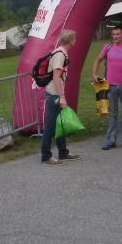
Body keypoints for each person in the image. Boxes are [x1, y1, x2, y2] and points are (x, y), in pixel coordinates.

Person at [93, 25, 122, 150]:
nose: (115, 37)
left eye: (118, 34)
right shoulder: (107, 47)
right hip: (110, 86)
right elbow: (98, 60)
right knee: (112, 114)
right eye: (113, 34)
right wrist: (94, 74)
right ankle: (111, 140)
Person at [41, 29, 81, 166]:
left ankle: (63, 152)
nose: (75, 40)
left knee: (60, 123)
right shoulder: (60, 55)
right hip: (54, 94)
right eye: (74, 38)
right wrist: (61, 96)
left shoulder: (61, 52)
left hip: (55, 93)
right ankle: (46, 157)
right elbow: (56, 77)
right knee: (50, 125)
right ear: (70, 40)